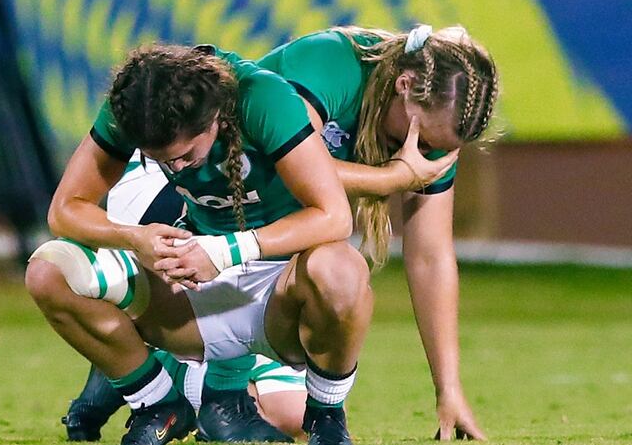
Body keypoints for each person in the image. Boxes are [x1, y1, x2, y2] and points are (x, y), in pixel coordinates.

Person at [54, 23, 498, 442]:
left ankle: (166, 373)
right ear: (403, 87)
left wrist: (449, 387)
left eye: (441, 149)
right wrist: (391, 179)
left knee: (289, 412)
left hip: (257, 233)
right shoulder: (332, 64)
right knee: (158, 277)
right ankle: (150, 373)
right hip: (181, 189)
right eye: (425, 138)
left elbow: (431, 257)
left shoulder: (425, 146)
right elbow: (286, 172)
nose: (428, 155)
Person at [25, 41, 372, 445]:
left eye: (185, 154)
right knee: (50, 270)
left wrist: (225, 250)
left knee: (340, 270)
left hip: (281, 293)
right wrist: (134, 238)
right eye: (159, 159)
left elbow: (335, 216)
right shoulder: (136, 106)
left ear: (215, 120)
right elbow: (65, 210)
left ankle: (327, 415)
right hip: (192, 290)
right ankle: (154, 401)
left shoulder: (263, 97)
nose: (174, 168)